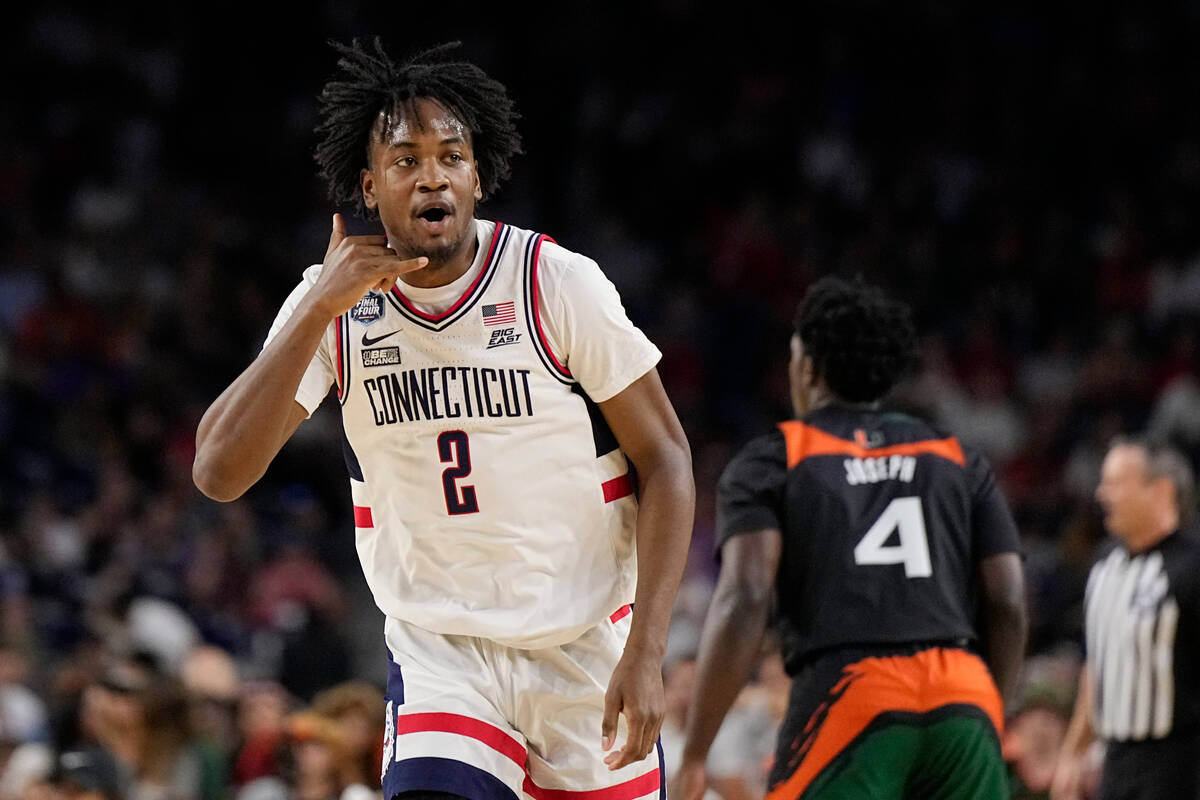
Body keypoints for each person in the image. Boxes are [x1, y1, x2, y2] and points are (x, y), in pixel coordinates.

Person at [192, 37, 694, 800]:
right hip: (443, 650)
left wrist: (648, 650)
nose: (432, 174)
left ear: (477, 175)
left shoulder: (554, 282)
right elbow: (218, 472)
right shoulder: (332, 305)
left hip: (585, 640)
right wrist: (317, 309)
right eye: (405, 159)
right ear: (369, 184)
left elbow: (667, 461)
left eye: (450, 156)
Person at [671, 276, 1028, 800]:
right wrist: (983, 709)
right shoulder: (956, 456)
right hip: (963, 688)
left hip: (853, 692)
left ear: (807, 367)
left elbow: (746, 596)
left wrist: (696, 752)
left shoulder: (774, 460)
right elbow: (1009, 600)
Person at [1050, 436, 1199, 800]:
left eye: (1115, 483)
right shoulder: (1103, 566)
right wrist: (1072, 752)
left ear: (1161, 491)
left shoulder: (1191, 567)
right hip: (1116, 764)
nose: (1102, 494)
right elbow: (1097, 666)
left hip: (1180, 763)